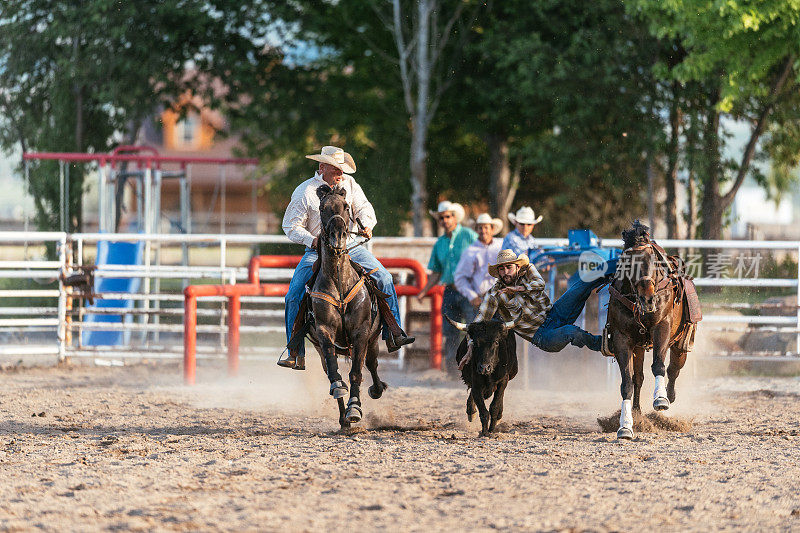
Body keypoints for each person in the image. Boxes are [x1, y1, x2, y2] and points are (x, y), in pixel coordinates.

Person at [280, 146, 414, 370]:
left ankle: (393, 331)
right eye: (336, 169)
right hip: (317, 250)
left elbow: (364, 208)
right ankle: (295, 351)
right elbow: (290, 226)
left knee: (385, 278)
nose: (341, 173)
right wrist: (312, 240)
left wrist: (367, 224)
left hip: (351, 247)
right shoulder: (304, 192)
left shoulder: (351, 185)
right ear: (322, 167)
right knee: (293, 295)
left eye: (342, 169)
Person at [475, 249, 615, 353]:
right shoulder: (494, 295)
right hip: (542, 336)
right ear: (498, 272)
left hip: (555, 313)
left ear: (518, 267)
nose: (505, 272)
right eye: (501, 269)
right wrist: (470, 346)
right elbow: (479, 321)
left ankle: (622, 263)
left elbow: (540, 284)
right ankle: (606, 345)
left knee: (581, 284)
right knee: (572, 332)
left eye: (508, 267)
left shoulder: (529, 269)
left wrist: (518, 289)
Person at [417, 201, 477, 373]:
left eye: (447, 216)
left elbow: (480, 260)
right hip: (449, 290)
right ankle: (453, 371)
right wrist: (424, 291)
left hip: (469, 289)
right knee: (450, 331)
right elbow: (436, 272)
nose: (444, 220)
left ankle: (472, 368)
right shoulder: (440, 243)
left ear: (455, 217)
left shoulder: (469, 236)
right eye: (442, 218)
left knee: (472, 329)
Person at [454, 213, 504, 317]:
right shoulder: (470, 251)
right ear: (476, 230)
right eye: (480, 228)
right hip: (480, 301)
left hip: (501, 300)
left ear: (492, 229)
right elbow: (460, 277)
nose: (483, 231)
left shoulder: (501, 247)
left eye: (486, 227)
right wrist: (472, 296)